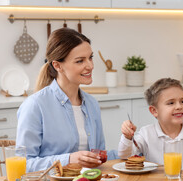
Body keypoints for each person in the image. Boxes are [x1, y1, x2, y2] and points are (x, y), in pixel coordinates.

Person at [17, 28, 117, 172]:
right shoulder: (35, 106)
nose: (90, 66)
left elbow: (97, 156)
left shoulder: (91, 104)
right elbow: (24, 165)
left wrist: (129, 147)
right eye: (80, 61)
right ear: (57, 66)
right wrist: (68, 160)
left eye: (90, 57)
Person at [118, 78, 183, 178]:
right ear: (154, 111)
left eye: (182, 101)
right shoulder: (146, 134)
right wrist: (127, 137)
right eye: (171, 103)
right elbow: (125, 156)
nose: (179, 106)